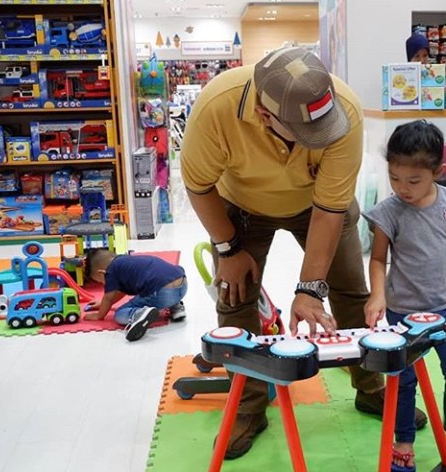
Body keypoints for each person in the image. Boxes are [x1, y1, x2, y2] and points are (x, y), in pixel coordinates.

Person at [180, 46, 427, 460]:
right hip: (240, 205)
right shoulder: (216, 109)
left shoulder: (343, 111)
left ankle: (369, 389)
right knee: (235, 295)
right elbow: (198, 185)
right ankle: (249, 407)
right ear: (265, 115)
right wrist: (228, 248)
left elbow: (330, 210)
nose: (324, 137)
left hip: (317, 204)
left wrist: (309, 289)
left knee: (349, 290)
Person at [364, 120, 446, 472]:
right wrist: (378, 295)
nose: (402, 188)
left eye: (414, 180)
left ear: (438, 171)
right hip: (401, 314)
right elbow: (378, 259)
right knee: (403, 381)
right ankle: (404, 441)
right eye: (394, 178)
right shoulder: (389, 211)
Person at [84, 249, 187, 342]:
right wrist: (102, 304)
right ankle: (176, 307)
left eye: (101, 282)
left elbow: (108, 298)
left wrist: (99, 315)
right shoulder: (126, 261)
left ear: (101, 273)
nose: (104, 284)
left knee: (119, 314)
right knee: (160, 279)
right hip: (182, 285)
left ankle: (139, 314)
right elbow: (121, 291)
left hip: (162, 293)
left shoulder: (110, 271)